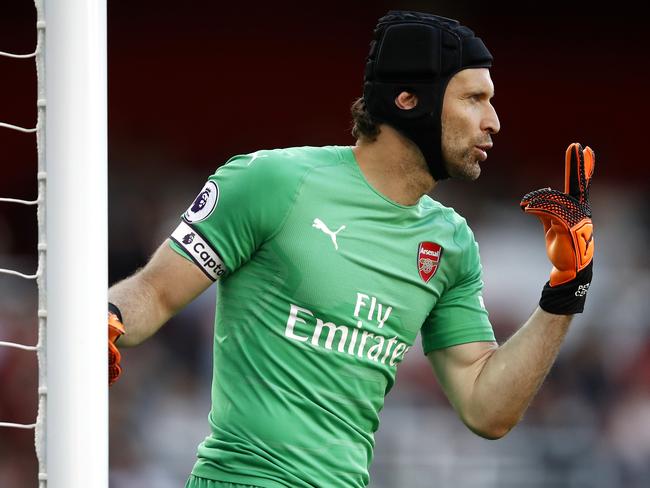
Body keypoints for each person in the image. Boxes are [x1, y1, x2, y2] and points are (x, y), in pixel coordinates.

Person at [108, 10, 595, 488]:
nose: (494, 121)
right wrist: (108, 317)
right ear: (409, 99)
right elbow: (156, 292)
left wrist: (566, 291)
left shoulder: (451, 243)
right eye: (474, 99)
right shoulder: (272, 183)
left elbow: (487, 408)